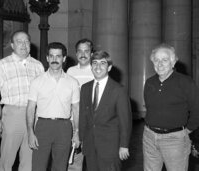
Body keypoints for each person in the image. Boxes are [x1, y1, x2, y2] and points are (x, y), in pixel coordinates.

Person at [0, 30, 44, 171]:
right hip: (13, 114)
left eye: (26, 41)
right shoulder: (2, 65)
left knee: (29, 158)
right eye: (19, 41)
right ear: (12, 45)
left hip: (34, 115)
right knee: (7, 159)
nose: (23, 45)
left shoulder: (38, 65)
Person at [143, 43, 199, 171]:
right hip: (149, 137)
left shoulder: (186, 82)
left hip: (175, 140)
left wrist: (187, 131)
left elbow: (197, 110)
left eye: (165, 60)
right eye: (156, 60)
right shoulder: (149, 82)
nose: (160, 64)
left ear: (173, 62)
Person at [26, 42, 80, 171]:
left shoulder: (72, 82)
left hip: (64, 127)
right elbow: (30, 108)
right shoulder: (37, 81)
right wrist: (30, 132)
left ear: (64, 58)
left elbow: (76, 109)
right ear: (47, 58)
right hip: (43, 127)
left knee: (60, 167)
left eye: (58, 56)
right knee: (38, 166)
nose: (54, 60)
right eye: (51, 56)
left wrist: (77, 133)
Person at [79, 50, 132, 171]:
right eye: (95, 63)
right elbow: (83, 116)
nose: (98, 67)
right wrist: (82, 139)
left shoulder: (119, 90)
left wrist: (124, 145)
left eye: (102, 63)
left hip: (111, 147)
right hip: (90, 144)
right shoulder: (85, 88)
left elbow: (125, 121)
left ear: (109, 68)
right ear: (91, 66)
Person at [66, 38, 94, 171]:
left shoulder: (97, 70)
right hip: (73, 120)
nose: (83, 54)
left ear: (91, 54)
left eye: (87, 51)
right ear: (76, 54)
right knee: (74, 155)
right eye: (80, 51)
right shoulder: (70, 71)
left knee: (94, 157)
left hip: (92, 120)